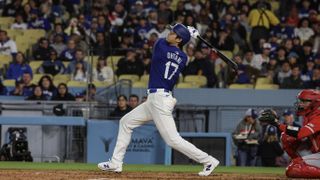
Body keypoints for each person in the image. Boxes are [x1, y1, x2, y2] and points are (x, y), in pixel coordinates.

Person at [98, 24, 219, 176]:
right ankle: (116, 162)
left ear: (179, 39)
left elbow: (162, 40)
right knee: (126, 122)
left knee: (172, 140)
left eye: (174, 33)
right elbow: (177, 49)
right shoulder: (183, 58)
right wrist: (188, 35)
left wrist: (187, 32)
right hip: (155, 100)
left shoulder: (161, 45)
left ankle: (208, 161)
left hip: (160, 100)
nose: (170, 33)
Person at [258, 89, 320, 178]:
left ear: (315, 103)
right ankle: (298, 162)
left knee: (294, 169)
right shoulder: (310, 116)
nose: (300, 104)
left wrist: (277, 123)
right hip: (317, 153)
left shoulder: (318, 116)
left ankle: (299, 164)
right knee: (287, 137)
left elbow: (300, 133)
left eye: (304, 101)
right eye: (300, 101)